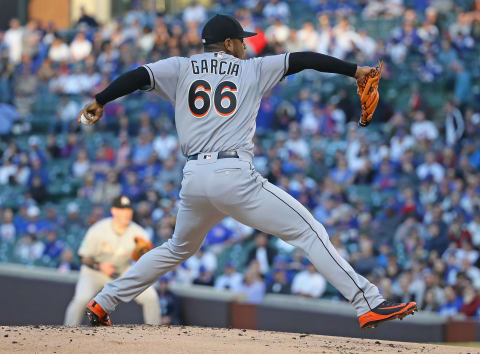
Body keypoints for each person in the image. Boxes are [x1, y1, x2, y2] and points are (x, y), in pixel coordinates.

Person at [80, 14, 416, 329]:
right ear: (228, 43)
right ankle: (367, 301)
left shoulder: (180, 67)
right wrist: (356, 71)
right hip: (233, 173)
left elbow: (139, 75)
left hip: (195, 177)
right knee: (309, 232)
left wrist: (101, 99)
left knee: (176, 248)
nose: (246, 46)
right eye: (241, 41)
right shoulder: (252, 69)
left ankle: (103, 302)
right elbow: (305, 59)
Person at [64, 195, 160, 326]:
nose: (126, 213)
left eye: (128, 210)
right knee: (81, 299)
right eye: (122, 210)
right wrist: (99, 266)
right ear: (114, 211)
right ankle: (66, 332)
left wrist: (146, 256)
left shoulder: (139, 233)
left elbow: (147, 259)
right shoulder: (98, 229)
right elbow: (83, 257)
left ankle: (156, 334)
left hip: (122, 272)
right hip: (95, 272)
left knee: (151, 297)